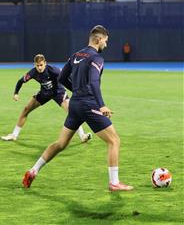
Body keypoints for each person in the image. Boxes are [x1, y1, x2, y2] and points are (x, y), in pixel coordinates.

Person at [22, 25, 133, 191]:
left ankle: (33, 170)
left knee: (60, 144)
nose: (106, 45)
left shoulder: (76, 55)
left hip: (74, 104)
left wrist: (76, 90)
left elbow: (61, 77)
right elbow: (94, 82)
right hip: (89, 105)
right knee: (114, 140)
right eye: (105, 41)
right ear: (98, 39)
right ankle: (114, 183)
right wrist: (101, 105)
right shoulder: (96, 58)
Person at [1, 54, 91, 143]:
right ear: (34, 65)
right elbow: (20, 81)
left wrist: (76, 91)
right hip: (45, 93)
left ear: (45, 63)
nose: (39, 68)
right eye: (37, 65)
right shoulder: (32, 72)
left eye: (41, 65)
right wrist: (16, 93)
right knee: (26, 110)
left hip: (58, 93)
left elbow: (68, 77)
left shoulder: (54, 70)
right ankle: (14, 135)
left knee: (72, 112)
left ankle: (82, 136)